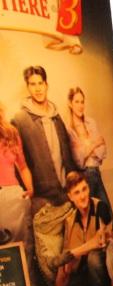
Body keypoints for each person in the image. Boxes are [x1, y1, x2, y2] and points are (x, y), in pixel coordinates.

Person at [12, 66, 79, 214]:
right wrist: (30, 195)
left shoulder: (56, 116)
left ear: (46, 85)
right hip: (42, 201)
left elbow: (68, 155)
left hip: (67, 194)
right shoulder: (20, 120)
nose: (38, 89)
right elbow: (18, 164)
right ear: (27, 87)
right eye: (32, 84)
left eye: (40, 83)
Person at [51, 171, 113, 286]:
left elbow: (99, 241)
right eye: (77, 192)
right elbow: (64, 262)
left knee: (93, 258)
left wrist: (72, 253)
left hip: (104, 267)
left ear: (89, 188)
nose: (83, 196)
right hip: (83, 272)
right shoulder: (70, 221)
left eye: (84, 189)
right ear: (70, 197)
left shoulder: (100, 207)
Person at [66, 87, 112, 215]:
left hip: (96, 172)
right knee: (91, 216)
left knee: (107, 214)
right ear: (70, 103)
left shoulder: (91, 122)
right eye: (76, 102)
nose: (80, 105)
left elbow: (103, 152)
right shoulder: (69, 129)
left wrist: (86, 148)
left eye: (82, 102)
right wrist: (94, 144)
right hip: (84, 176)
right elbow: (79, 160)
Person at [0, 101, 35, 268]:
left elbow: (23, 166)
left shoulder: (11, 134)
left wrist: (30, 190)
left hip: (14, 197)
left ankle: (28, 284)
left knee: (23, 249)